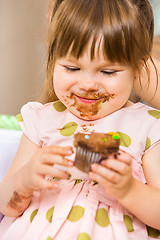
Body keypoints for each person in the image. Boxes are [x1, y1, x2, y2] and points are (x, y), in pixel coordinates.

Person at [0, 0, 160, 239]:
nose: (87, 84)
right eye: (72, 68)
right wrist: (25, 178)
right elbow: (7, 206)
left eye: (108, 72)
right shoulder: (41, 120)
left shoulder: (148, 126)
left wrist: (130, 190)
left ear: (137, 70)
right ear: (53, 61)